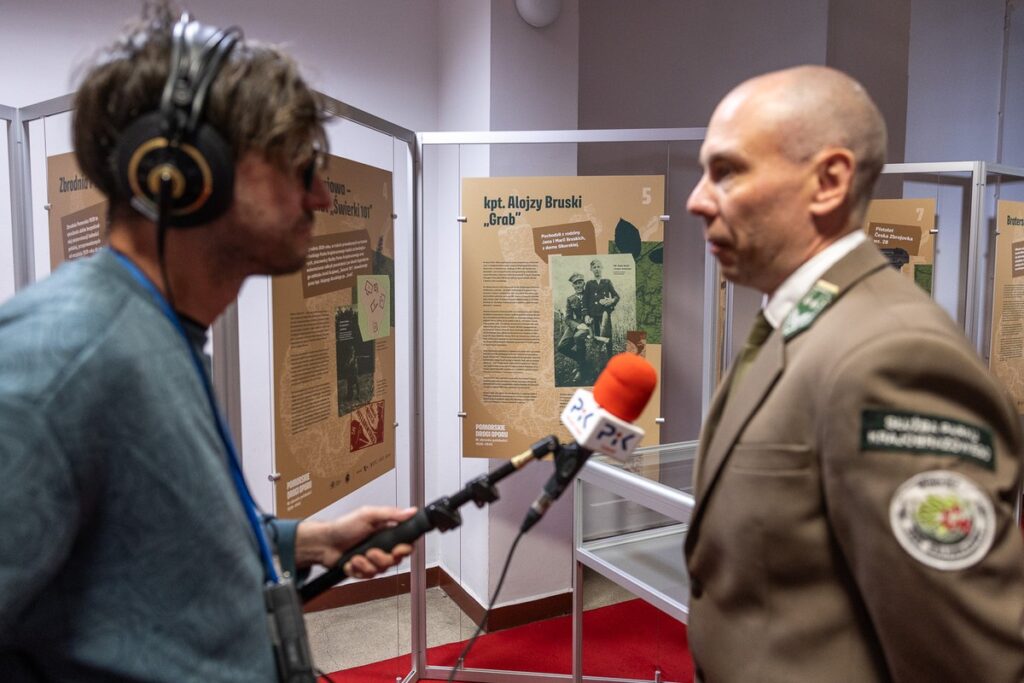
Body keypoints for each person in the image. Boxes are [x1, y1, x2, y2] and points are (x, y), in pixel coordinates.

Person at [0, 5, 414, 681]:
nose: (321, 198)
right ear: (184, 174)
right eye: (298, 166)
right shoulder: (60, 359)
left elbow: (147, 544)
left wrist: (303, 540)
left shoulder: (161, 330)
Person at [684, 65, 1024, 682]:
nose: (697, 199)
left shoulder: (890, 357)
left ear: (828, 182)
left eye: (727, 171)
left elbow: (964, 661)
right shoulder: (802, 322)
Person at [557, 271, 593, 384]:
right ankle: (584, 362)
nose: (578, 285)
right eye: (575, 283)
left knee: (578, 337)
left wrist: (590, 320)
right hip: (575, 324)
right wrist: (577, 326)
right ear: (573, 285)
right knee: (561, 347)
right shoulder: (570, 299)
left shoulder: (590, 295)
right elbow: (567, 318)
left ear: (584, 283)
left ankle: (581, 370)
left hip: (588, 324)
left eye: (580, 282)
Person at [583, 258, 619, 349]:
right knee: (596, 336)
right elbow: (585, 301)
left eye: (598, 266)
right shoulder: (589, 283)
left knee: (608, 335)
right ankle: (599, 354)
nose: (597, 269)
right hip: (593, 314)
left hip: (605, 313)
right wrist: (586, 314)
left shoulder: (607, 282)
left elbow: (616, 296)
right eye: (594, 267)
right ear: (591, 269)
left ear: (602, 268)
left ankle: (609, 356)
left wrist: (611, 301)